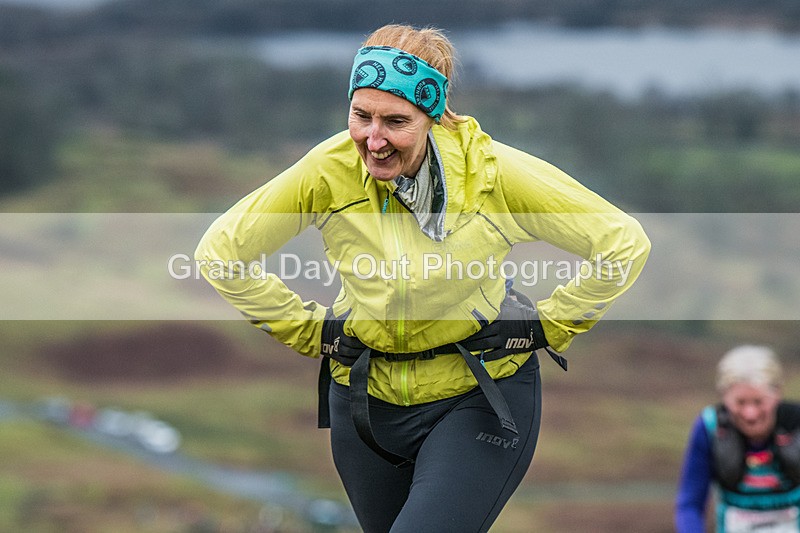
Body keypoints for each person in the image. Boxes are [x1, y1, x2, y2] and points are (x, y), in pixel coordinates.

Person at [195, 24, 650, 533]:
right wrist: (309, 330)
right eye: (361, 115)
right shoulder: (329, 170)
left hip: (478, 396)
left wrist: (546, 326)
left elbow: (623, 242)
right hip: (365, 405)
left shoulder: (490, 173)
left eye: (395, 121)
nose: (373, 137)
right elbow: (220, 252)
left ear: (432, 117)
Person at [675, 345, 800, 532]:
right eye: (740, 402)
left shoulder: (796, 424)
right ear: (724, 397)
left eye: (759, 401)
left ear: (777, 394)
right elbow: (690, 504)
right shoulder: (711, 428)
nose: (750, 414)